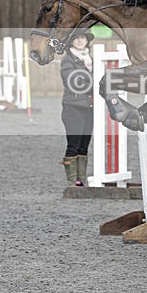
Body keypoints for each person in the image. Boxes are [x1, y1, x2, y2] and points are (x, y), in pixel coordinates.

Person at [59, 29, 95, 187]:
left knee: (84, 144)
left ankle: (82, 179)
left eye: (82, 38)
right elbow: (74, 80)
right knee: (73, 144)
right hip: (73, 106)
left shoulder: (92, 59)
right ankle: (72, 181)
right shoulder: (67, 60)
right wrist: (89, 72)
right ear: (71, 41)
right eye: (76, 38)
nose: (80, 40)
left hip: (89, 107)